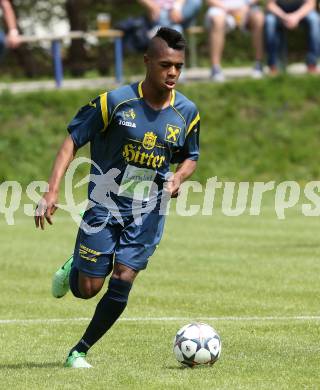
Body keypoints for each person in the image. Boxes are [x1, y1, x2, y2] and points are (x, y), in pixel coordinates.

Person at [35, 27, 200, 369]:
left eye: (179, 66)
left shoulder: (187, 112)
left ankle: (79, 351)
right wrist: (51, 191)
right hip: (105, 205)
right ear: (147, 62)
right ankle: (75, 267)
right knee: (88, 288)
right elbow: (72, 140)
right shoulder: (113, 103)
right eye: (165, 64)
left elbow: (191, 156)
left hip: (149, 210)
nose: (172, 73)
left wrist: (178, 177)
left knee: (124, 276)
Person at [205, 0, 265, 81]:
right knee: (217, 20)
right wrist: (227, 9)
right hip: (220, 9)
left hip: (247, 9)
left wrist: (246, 7)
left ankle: (258, 65)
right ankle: (215, 68)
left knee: (259, 18)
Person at [265, 0, 320, 73]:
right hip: (279, 11)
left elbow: (311, 4)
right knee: (269, 21)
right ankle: (273, 65)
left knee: (314, 19)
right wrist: (285, 17)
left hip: (301, 10)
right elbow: (270, 5)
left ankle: (312, 64)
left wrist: (296, 16)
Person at [138, 0, 203, 33]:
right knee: (176, 29)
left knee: (195, 1)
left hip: (181, 13)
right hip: (160, 12)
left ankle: (160, 27)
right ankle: (164, 26)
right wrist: (152, 6)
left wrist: (177, 7)